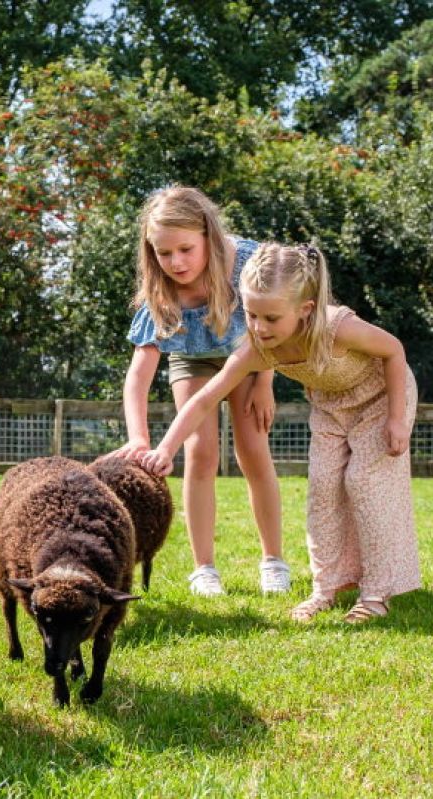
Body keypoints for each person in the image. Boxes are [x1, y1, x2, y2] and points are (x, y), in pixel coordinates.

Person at [137, 242, 421, 623]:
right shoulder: (257, 349)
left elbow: (394, 351)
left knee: (363, 482)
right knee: (322, 489)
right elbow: (205, 398)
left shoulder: (339, 327)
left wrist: (398, 420)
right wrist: (166, 448)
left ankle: (375, 593)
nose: (258, 327)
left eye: (271, 318)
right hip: (332, 407)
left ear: (304, 310)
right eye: (252, 315)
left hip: (382, 399)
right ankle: (329, 586)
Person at [107, 186, 289, 597]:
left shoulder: (246, 262)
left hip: (249, 357)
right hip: (191, 360)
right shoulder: (161, 288)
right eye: (164, 253)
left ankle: (273, 560)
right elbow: (138, 374)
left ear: (209, 235)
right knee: (200, 453)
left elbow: (275, 326)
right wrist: (139, 437)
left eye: (186, 249)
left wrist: (264, 381)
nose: (176, 262)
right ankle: (204, 569)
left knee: (253, 450)